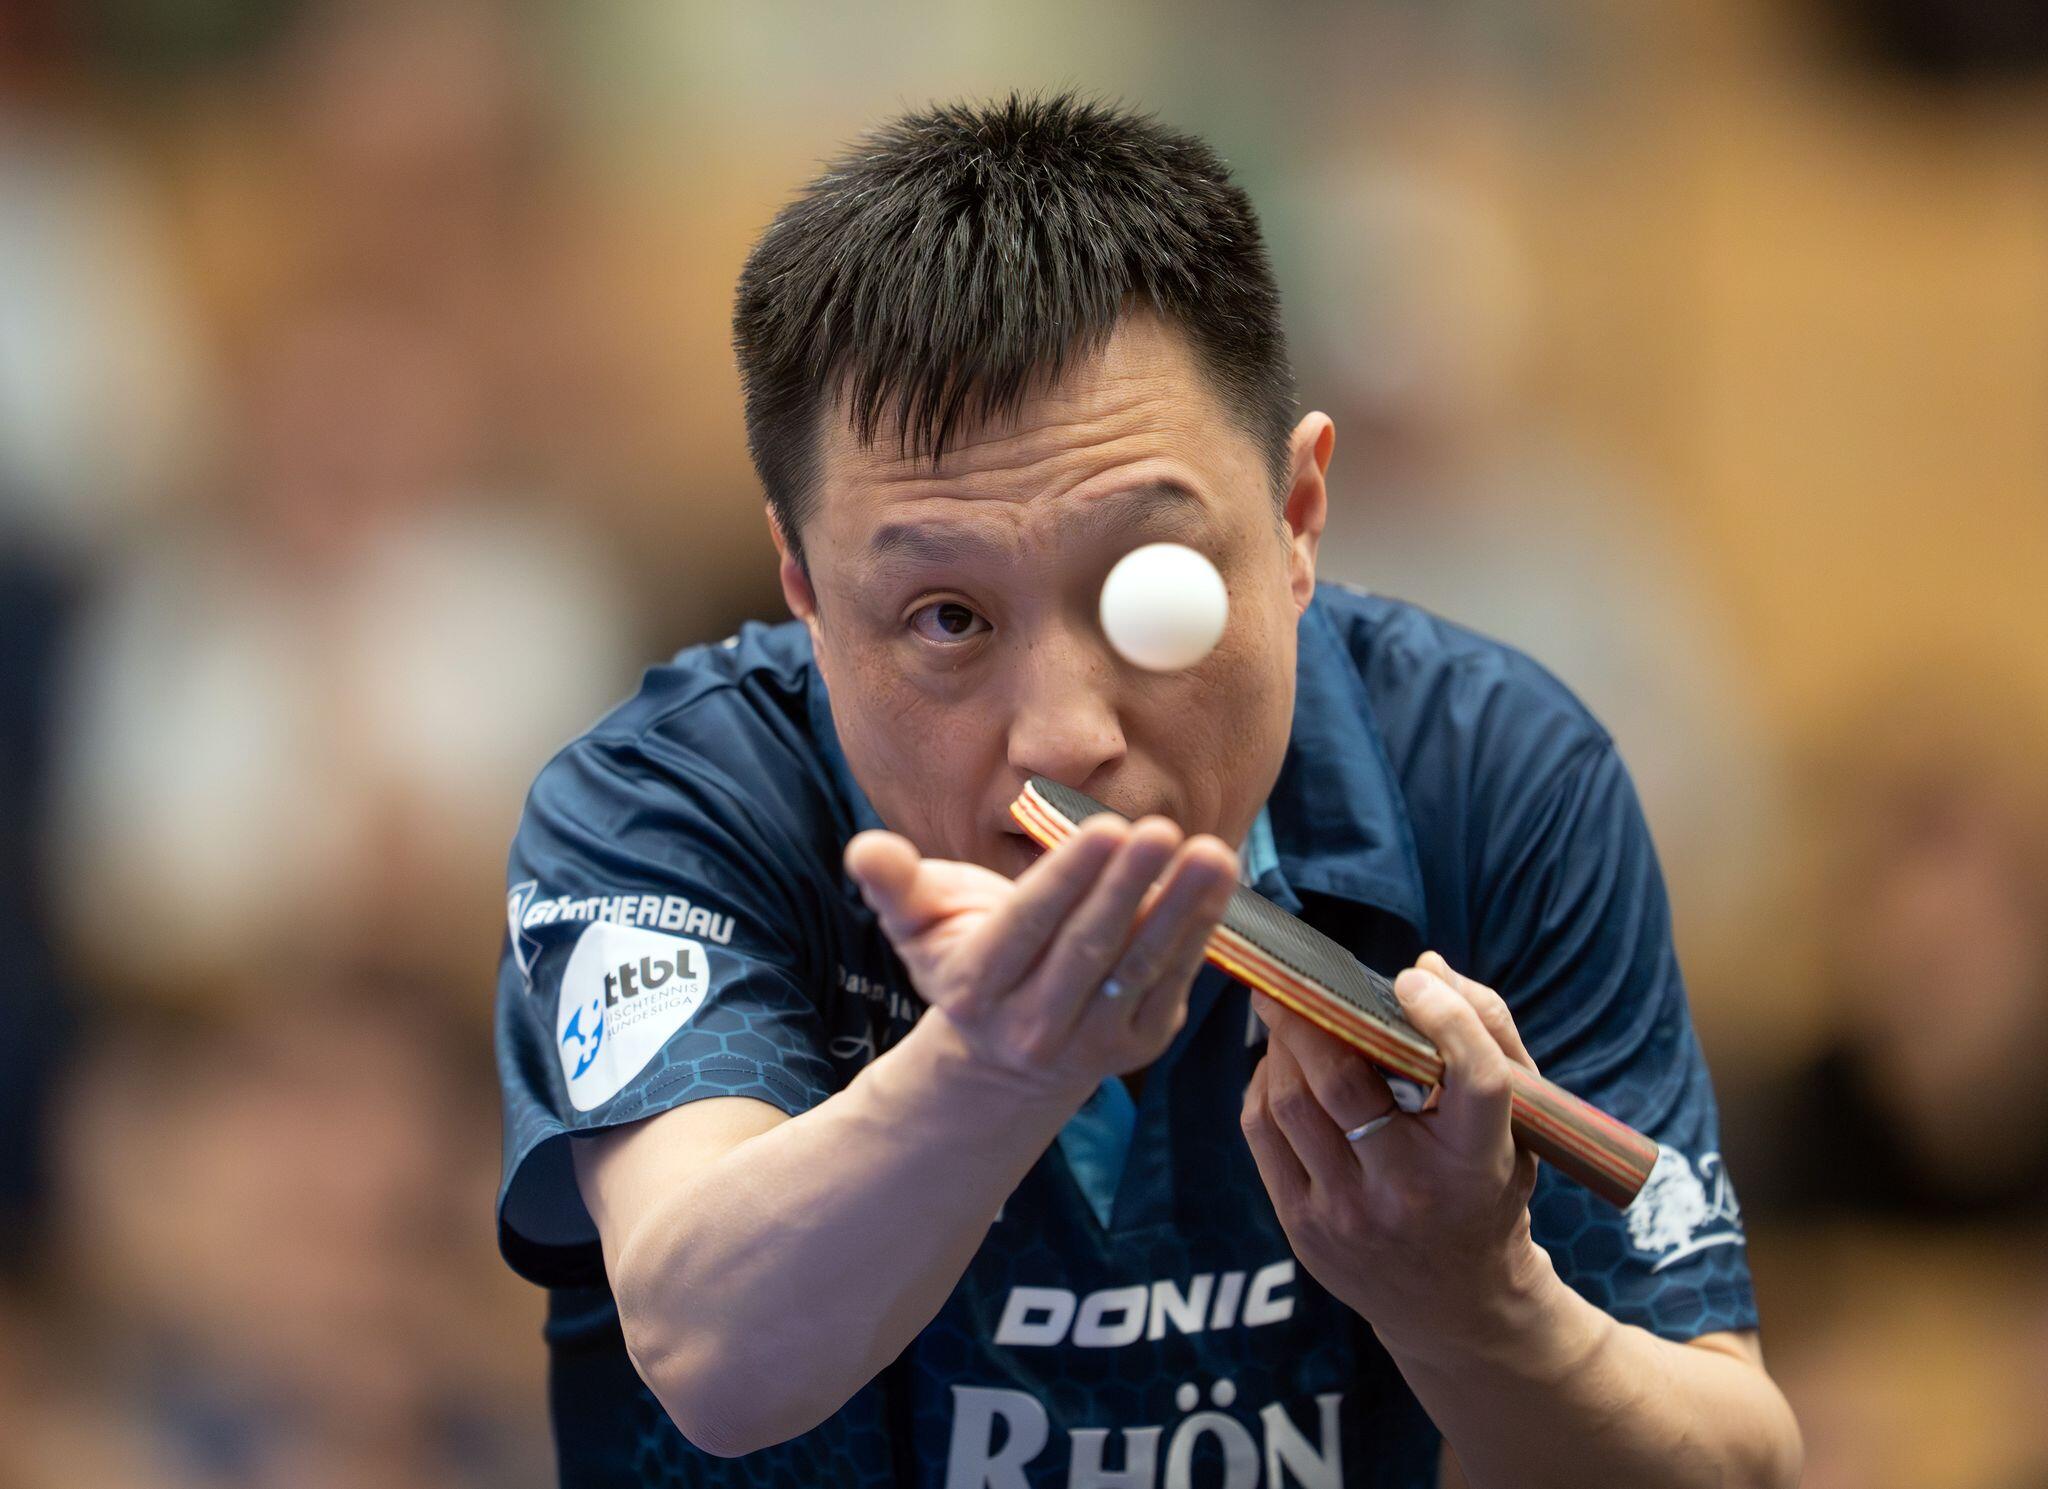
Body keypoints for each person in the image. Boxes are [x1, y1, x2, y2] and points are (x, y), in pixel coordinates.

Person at [492, 91, 1802, 1488]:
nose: (1062, 735)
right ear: (804, 587)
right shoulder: (667, 804)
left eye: (1148, 590)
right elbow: (712, 1353)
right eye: (947, 618)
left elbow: (1737, 1463)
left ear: (1297, 518)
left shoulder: (1488, 775)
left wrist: (1476, 1303)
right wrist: (996, 1068)